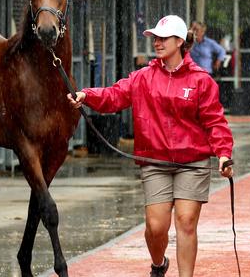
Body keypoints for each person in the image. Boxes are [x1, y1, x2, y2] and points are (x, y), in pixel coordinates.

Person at [67, 15, 234, 277]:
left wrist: (224, 154)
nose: (157, 43)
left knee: (186, 222)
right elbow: (114, 95)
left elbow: (215, 122)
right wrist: (86, 96)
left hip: (193, 162)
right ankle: (158, 264)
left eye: (163, 38)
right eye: (155, 38)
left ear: (180, 41)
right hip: (155, 162)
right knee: (156, 227)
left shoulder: (202, 80)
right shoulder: (142, 77)